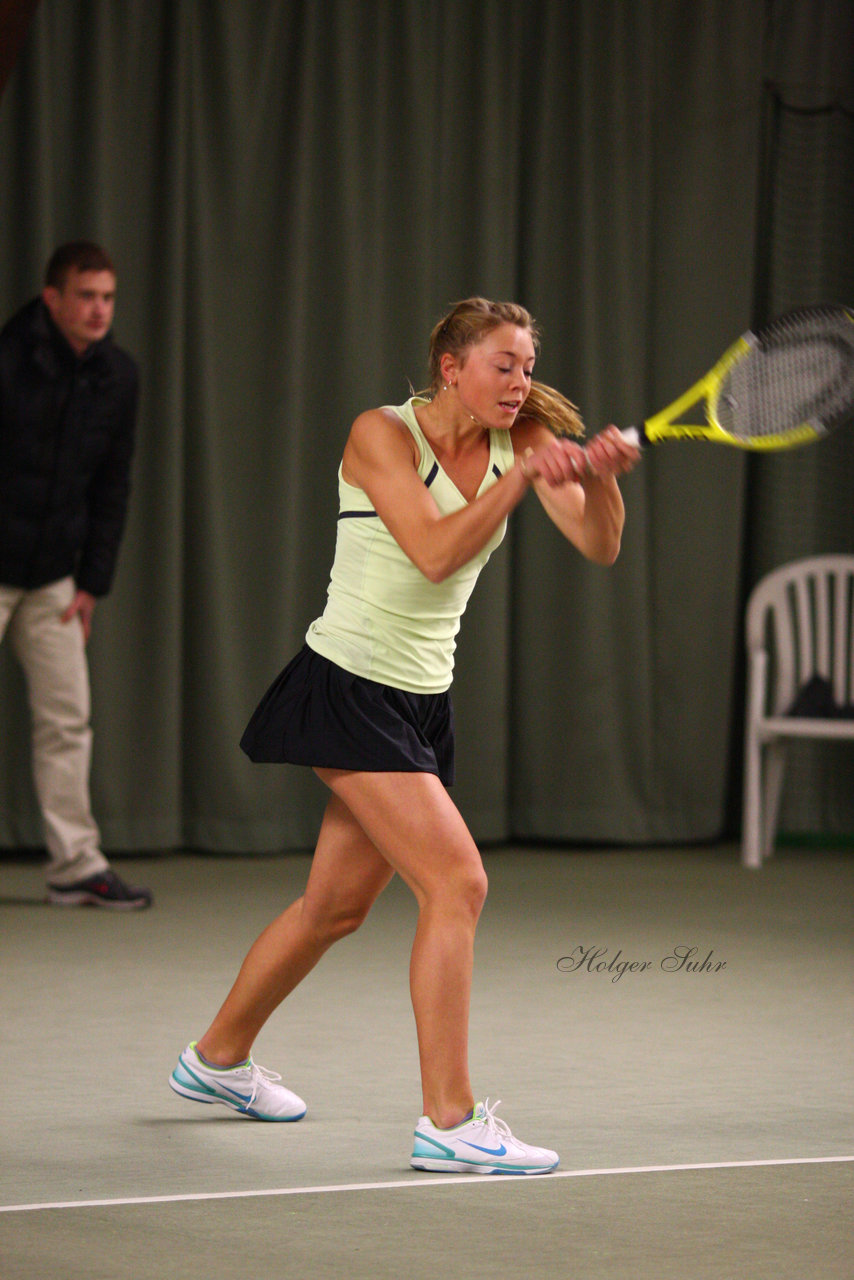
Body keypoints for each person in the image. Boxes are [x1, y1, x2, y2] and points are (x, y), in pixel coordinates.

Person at [169, 297, 639, 1170]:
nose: (521, 382)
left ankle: (215, 1061)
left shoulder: (525, 438)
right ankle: (450, 1123)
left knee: (334, 908)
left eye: (529, 366)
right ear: (451, 367)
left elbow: (599, 545)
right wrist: (522, 481)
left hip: (422, 699)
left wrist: (600, 475)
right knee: (457, 884)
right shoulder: (381, 435)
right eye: (504, 364)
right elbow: (431, 552)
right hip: (349, 684)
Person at [0, 241, 151, 910]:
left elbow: (112, 486)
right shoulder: (8, 358)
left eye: (108, 298)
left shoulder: (120, 375)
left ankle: (74, 866)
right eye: (86, 296)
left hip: (56, 580)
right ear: (52, 298)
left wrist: (93, 582)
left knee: (68, 720)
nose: (98, 310)